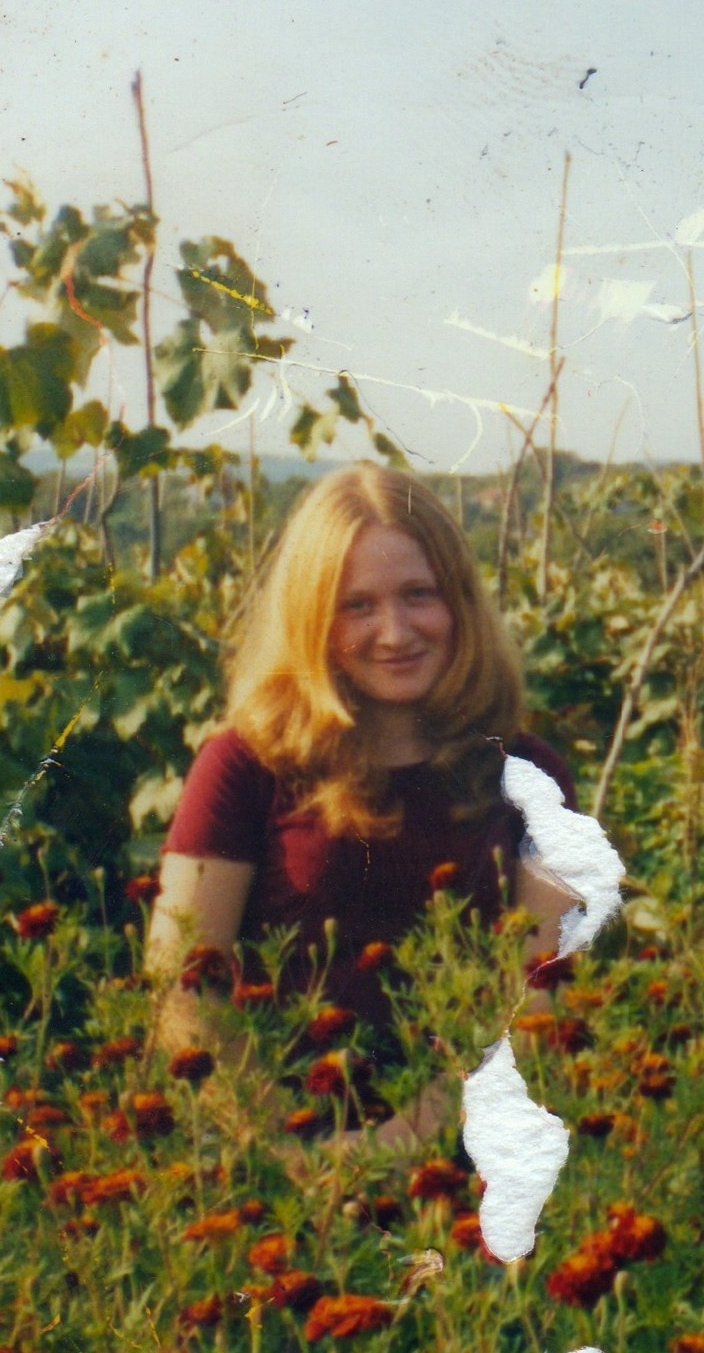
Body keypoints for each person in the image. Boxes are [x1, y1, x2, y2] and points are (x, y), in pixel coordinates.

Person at [145, 464, 582, 1150]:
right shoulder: (241, 767)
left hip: (466, 1161)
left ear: (460, 603)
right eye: (358, 605)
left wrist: (406, 1144)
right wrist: (285, 1154)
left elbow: (538, 1004)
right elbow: (185, 992)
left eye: (419, 595)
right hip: (266, 1166)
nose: (395, 631)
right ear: (313, 618)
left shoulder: (534, 778)